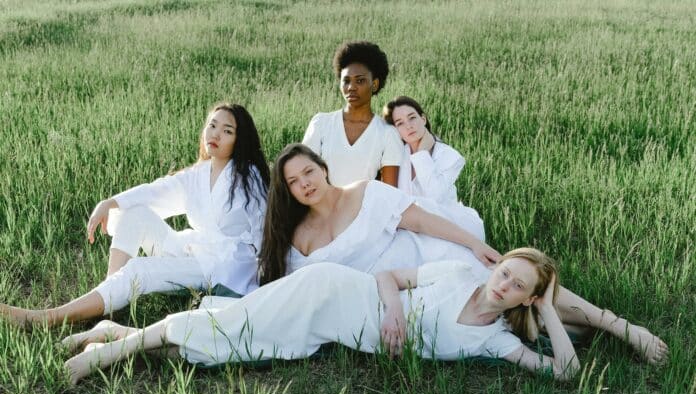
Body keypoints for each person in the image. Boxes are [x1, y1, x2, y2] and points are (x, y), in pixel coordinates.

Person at [62, 248, 668, 385]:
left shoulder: (496, 342)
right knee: (229, 334)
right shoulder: (457, 272)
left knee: (232, 344)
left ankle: (117, 332)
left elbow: (565, 375)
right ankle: (106, 355)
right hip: (341, 294)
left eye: (520, 286)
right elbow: (388, 276)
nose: (504, 282)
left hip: (334, 331)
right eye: (505, 270)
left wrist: (551, 316)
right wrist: (396, 311)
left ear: (525, 299)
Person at [1, 103, 270, 327]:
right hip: (195, 250)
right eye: (212, 125)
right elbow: (157, 191)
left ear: (239, 140)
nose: (215, 134)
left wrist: (267, 274)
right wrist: (110, 202)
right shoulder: (199, 173)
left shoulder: (249, 178)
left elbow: (267, 225)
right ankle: (107, 299)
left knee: (140, 268)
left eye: (227, 130)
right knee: (136, 214)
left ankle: (48, 318)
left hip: (223, 265)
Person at [257, 143, 500, 285]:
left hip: (421, 256)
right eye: (293, 181)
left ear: (323, 168)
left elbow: (420, 221)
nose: (305, 183)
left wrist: (474, 243)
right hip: (383, 292)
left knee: (484, 276)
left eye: (308, 172)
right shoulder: (297, 235)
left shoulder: (365, 193)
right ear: (288, 191)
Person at [302, 41, 403, 187]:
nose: (351, 87)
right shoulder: (321, 124)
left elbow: (389, 193)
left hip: (366, 209)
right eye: (346, 81)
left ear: (374, 84)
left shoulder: (387, 133)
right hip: (323, 207)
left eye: (360, 80)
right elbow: (304, 175)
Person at [383, 95, 485, 241]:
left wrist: (422, 153)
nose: (408, 126)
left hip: (444, 225)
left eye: (412, 118)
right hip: (406, 228)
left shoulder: (449, 156)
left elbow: (434, 197)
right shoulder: (396, 156)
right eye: (400, 123)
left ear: (423, 119)